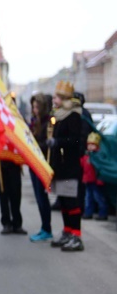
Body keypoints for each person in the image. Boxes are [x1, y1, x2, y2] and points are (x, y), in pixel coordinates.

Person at [48, 81, 84, 252]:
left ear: (63, 98)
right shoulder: (59, 115)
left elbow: (76, 140)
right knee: (63, 200)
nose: (53, 100)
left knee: (71, 201)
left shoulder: (73, 115)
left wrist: (58, 142)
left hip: (69, 166)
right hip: (60, 167)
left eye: (56, 97)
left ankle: (76, 236)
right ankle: (67, 232)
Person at [28, 93, 54, 242]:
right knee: (39, 198)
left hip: (42, 163)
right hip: (34, 163)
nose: (34, 109)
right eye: (33, 107)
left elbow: (45, 144)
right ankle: (44, 228)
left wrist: (36, 147)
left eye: (37, 107)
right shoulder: (35, 121)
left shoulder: (48, 123)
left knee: (42, 198)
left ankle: (46, 228)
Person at [82, 132, 109, 221]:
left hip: (96, 181)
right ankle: (88, 213)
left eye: (92, 145)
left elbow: (100, 169)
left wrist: (100, 179)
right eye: (89, 145)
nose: (90, 147)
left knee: (99, 198)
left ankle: (103, 213)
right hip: (88, 181)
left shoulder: (98, 157)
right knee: (88, 198)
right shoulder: (86, 156)